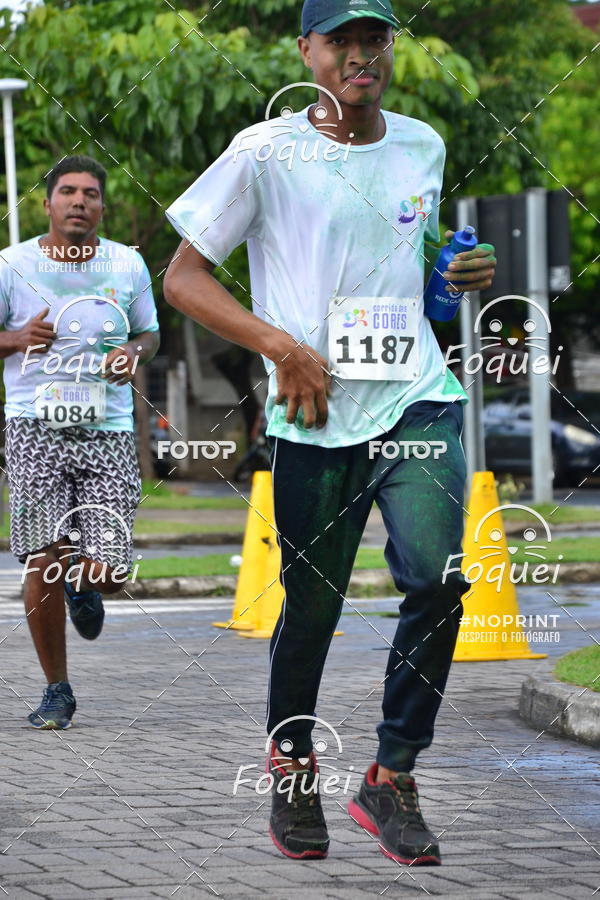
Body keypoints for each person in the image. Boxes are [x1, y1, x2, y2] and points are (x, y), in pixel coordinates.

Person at [164, 0, 496, 866]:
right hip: (313, 418)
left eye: (374, 38)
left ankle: (390, 777)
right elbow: (184, 279)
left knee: (437, 575)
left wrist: (451, 276)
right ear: (306, 50)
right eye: (341, 39)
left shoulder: (421, 144)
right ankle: (293, 763)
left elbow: (409, 279)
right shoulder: (266, 151)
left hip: (416, 397)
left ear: (390, 47)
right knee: (312, 608)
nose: (360, 54)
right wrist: (281, 348)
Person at [0, 155, 160, 729]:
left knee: (112, 570)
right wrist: (17, 338)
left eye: (90, 194)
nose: (79, 202)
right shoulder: (11, 264)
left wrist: (133, 355)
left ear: (101, 206)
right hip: (33, 425)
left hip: (108, 428)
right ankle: (57, 689)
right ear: (46, 203)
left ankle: (83, 580)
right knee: (42, 554)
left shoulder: (128, 264)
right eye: (67, 192)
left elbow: (149, 333)